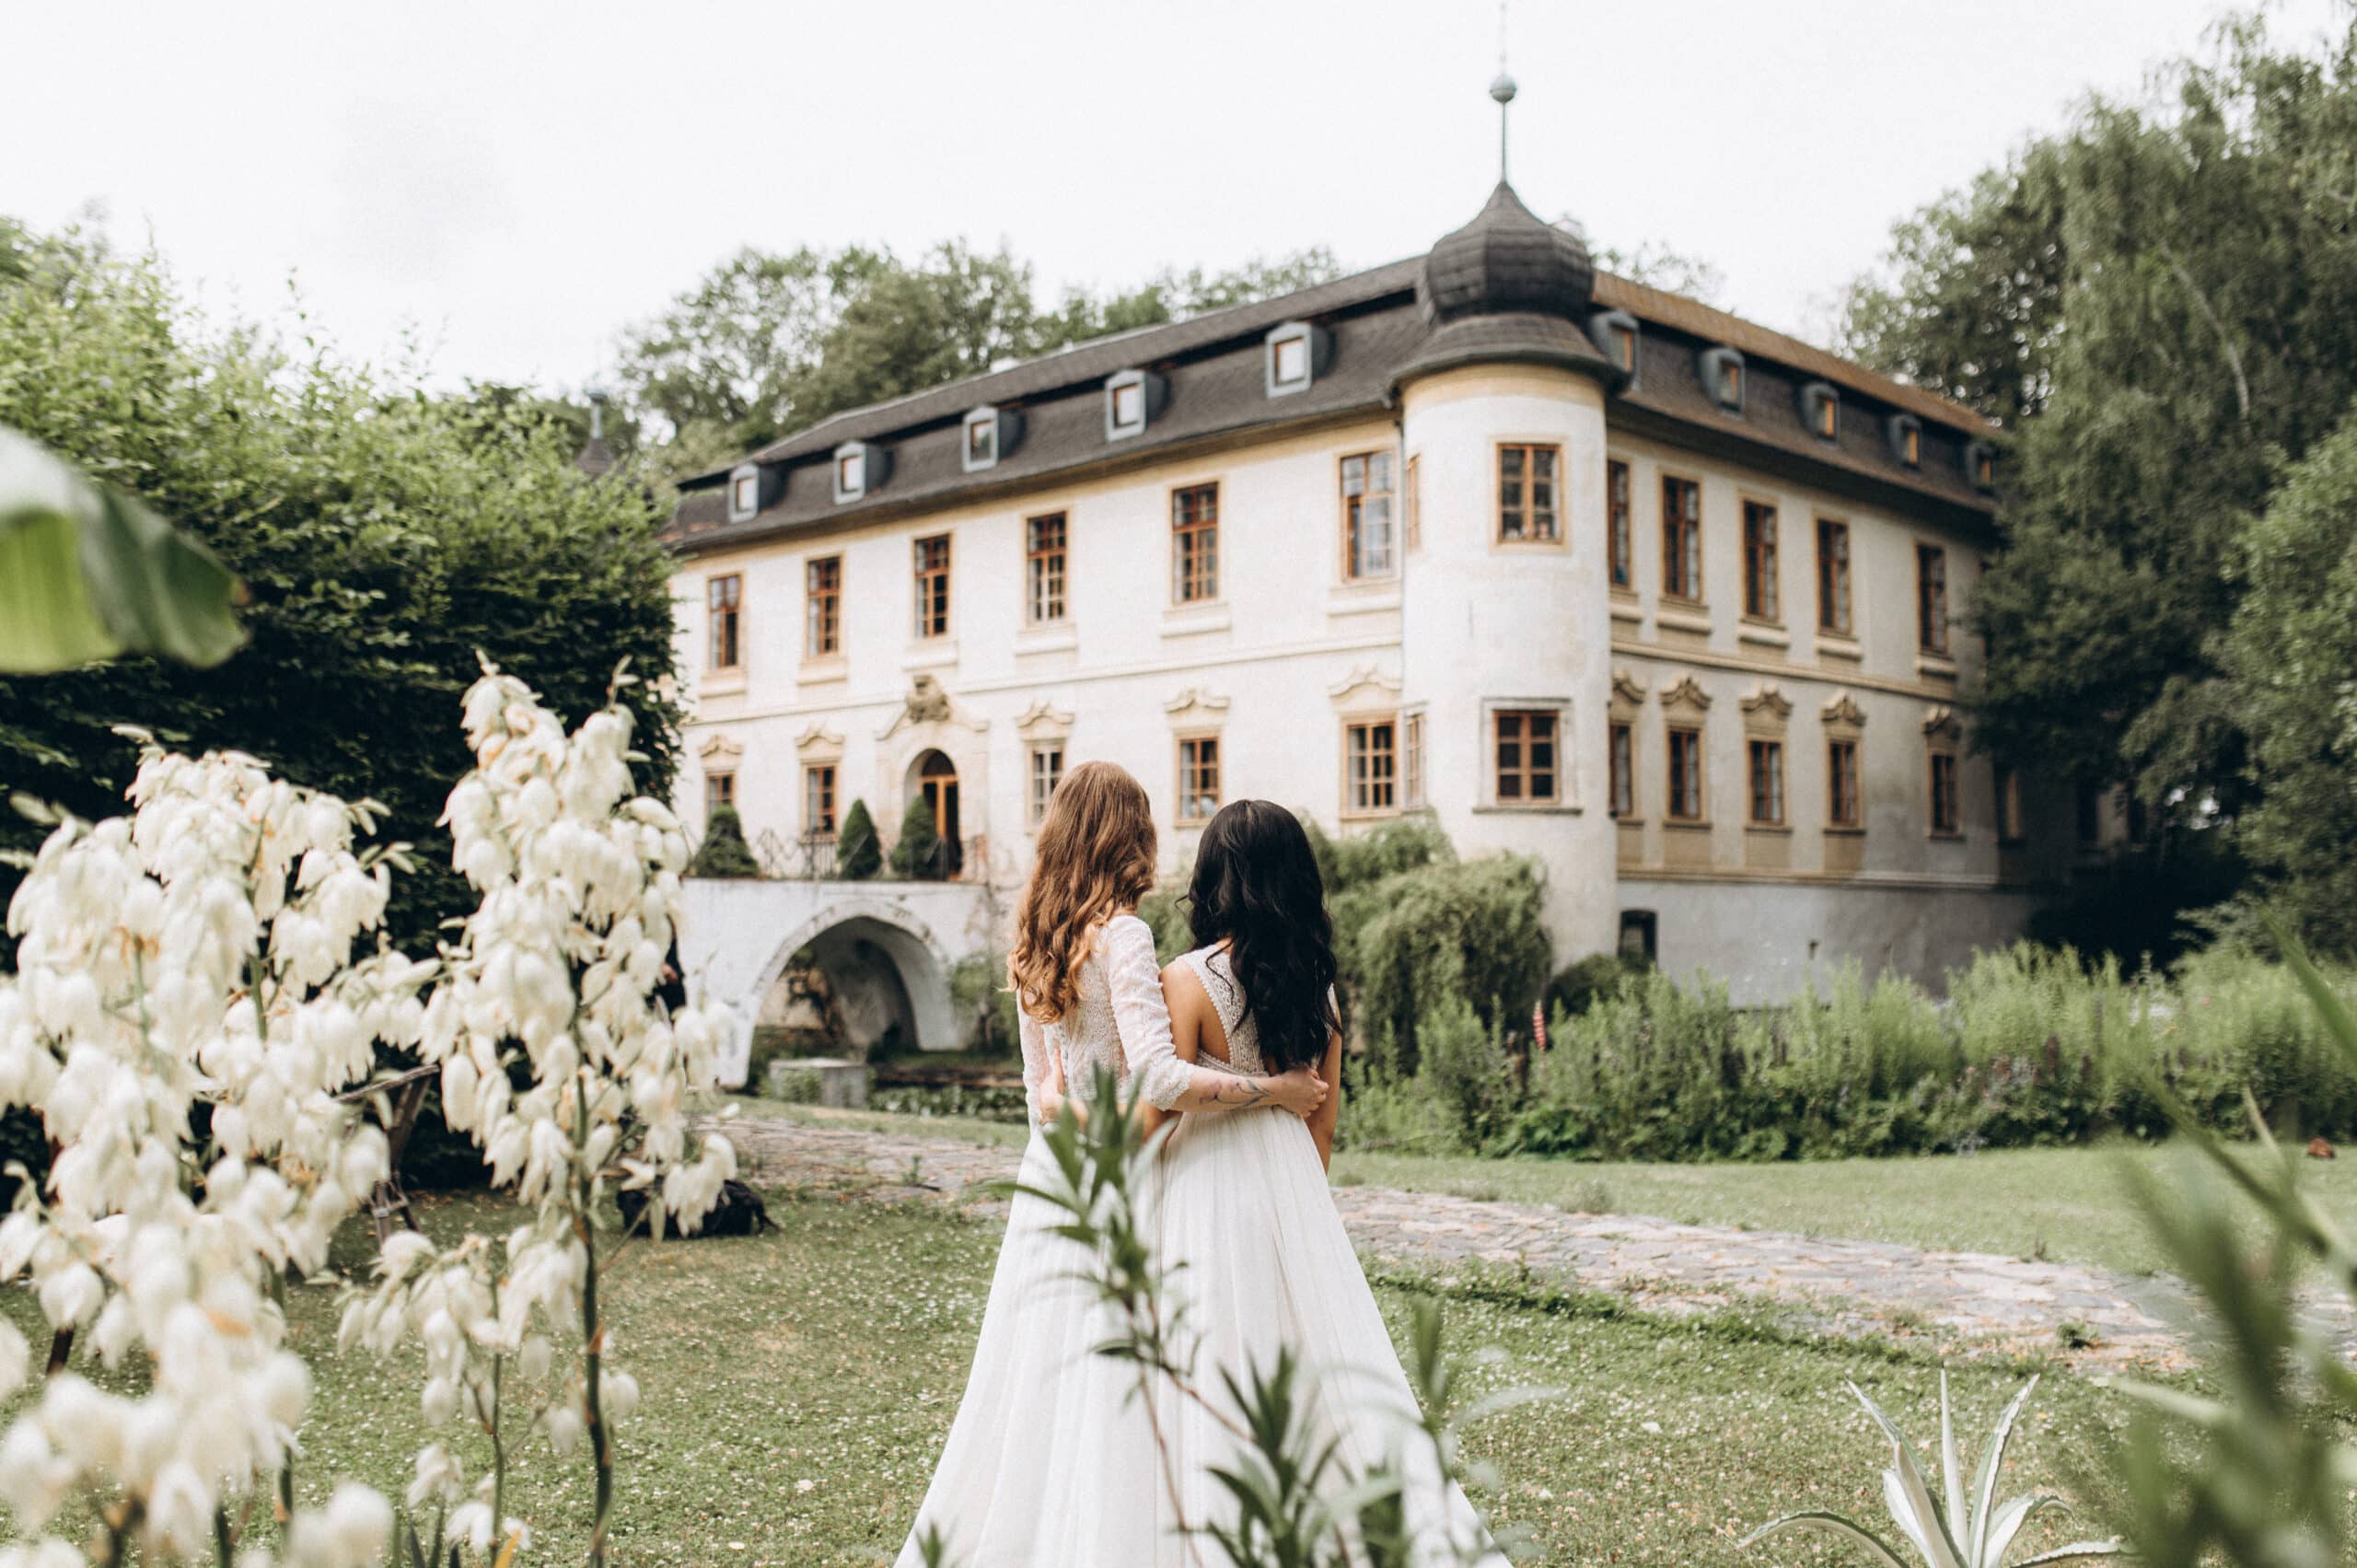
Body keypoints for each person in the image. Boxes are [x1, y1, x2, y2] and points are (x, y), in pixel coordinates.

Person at [894, 763, 1328, 1567]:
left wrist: (1067, 1113)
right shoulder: (1124, 935)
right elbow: (1160, 1078)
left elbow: (1040, 1097)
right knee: (1111, 1386)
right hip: (1125, 1176)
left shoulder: (1031, 935)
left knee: (1041, 1380)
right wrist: (1274, 1088)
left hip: (1053, 1180)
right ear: (1127, 834)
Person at [1151, 798, 1504, 1566]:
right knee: (1309, 1357)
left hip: (1206, 1183)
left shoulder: (1183, 979)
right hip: (1291, 1183)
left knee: (1214, 1355)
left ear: (1216, 878)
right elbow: (1324, 1125)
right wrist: (1298, 1206)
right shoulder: (1321, 989)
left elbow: (1166, 1097)